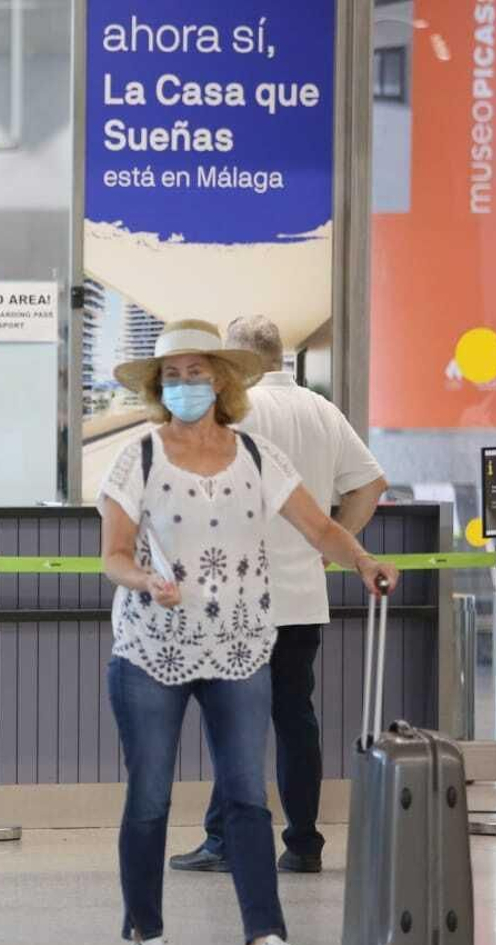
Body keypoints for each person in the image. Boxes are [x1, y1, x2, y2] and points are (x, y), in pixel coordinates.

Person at [97, 319, 398, 945]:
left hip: (238, 644)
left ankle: (266, 940)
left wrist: (362, 559)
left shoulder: (259, 457)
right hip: (152, 649)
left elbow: (320, 526)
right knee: (149, 796)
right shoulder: (138, 457)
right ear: (156, 387)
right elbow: (114, 553)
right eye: (170, 377)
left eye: (196, 374)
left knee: (246, 794)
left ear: (224, 382)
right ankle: (146, 934)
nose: (183, 386)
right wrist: (144, 577)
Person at [171, 315, 388, 877]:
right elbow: (370, 483)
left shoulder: (234, 413)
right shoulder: (321, 410)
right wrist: (338, 541)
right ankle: (305, 844)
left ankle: (225, 840)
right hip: (300, 596)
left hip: (238, 596)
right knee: (295, 716)